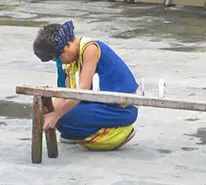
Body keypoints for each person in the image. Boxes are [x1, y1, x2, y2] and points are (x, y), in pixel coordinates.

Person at [32, 20, 138, 150]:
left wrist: (57, 115)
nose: (59, 62)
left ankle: (118, 133)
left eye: (58, 58)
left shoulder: (90, 49)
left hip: (121, 108)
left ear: (68, 45)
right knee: (61, 118)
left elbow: (83, 90)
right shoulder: (70, 63)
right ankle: (79, 131)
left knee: (67, 117)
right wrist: (51, 113)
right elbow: (63, 94)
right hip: (99, 105)